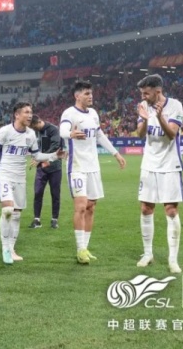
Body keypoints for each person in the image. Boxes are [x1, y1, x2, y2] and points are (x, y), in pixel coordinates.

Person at [0, 102, 65, 265]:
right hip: (4, 175)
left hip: (20, 177)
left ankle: (12, 248)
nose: (30, 115)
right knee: (8, 210)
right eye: (26, 112)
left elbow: (37, 156)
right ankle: (5, 248)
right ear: (17, 114)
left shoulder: (31, 135)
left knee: (17, 214)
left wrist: (55, 156)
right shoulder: (5, 131)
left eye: (31, 112)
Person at [60, 80, 126, 265]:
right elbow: (62, 130)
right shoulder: (69, 113)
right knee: (81, 206)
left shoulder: (93, 114)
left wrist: (116, 154)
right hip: (77, 166)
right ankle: (80, 249)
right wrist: (70, 134)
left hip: (93, 166)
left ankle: (85, 248)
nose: (91, 96)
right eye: (87, 93)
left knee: (91, 207)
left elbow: (99, 135)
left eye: (91, 93)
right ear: (77, 96)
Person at [134, 74, 183, 274]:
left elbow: (171, 134)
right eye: (142, 93)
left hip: (170, 165)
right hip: (149, 165)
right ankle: (148, 254)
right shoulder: (143, 106)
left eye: (146, 93)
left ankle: (173, 260)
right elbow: (140, 134)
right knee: (146, 209)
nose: (143, 97)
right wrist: (146, 120)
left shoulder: (175, 106)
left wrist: (160, 116)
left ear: (158, 91)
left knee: (171, 210)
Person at [29, 115, 63, 229]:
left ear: (39, 122)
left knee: (55, 194)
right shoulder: (35, 132)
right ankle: (37, 220)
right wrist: (35, 157)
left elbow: (55, 146)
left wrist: (40, 158)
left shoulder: (53, 129)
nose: (34, 129)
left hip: (55, 167)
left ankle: (54, 220)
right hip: (41, 168)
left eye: (34, 127)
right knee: (38, 193)